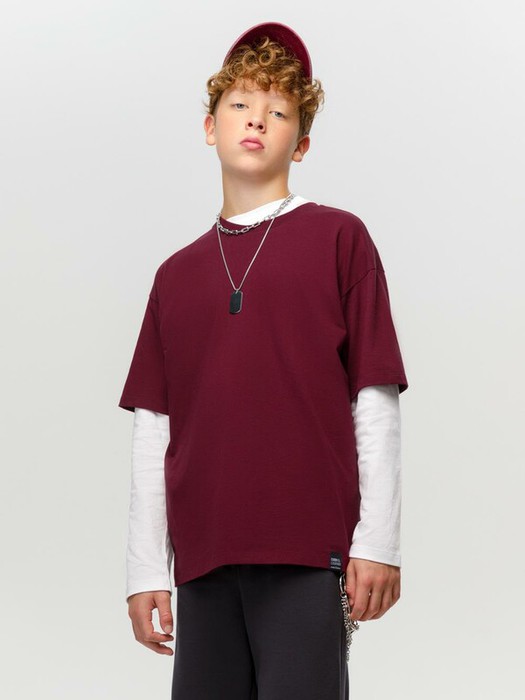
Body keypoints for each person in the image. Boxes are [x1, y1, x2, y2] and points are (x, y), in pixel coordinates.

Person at [118, 21, 409, 699]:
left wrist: (377, 541)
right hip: (203, 555)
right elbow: (154, 427)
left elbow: (373, 395)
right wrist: (145, 568)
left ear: (300, 143)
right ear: (209, 127)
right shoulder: (174, 276)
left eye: (279, 112)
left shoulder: (339, 238)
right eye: (241, 104)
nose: (257, 120)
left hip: (305, 545)